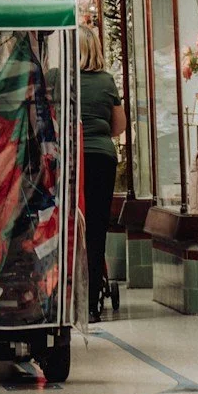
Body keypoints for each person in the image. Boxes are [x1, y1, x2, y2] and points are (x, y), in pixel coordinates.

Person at [79, 24, 126, 323]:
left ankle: (63, 296)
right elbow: (119, 127)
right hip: (101, 158)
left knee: (67, 227)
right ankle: (92, 304)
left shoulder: (60, 79)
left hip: (71, 160)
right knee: (96, 230)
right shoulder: (107, 82)